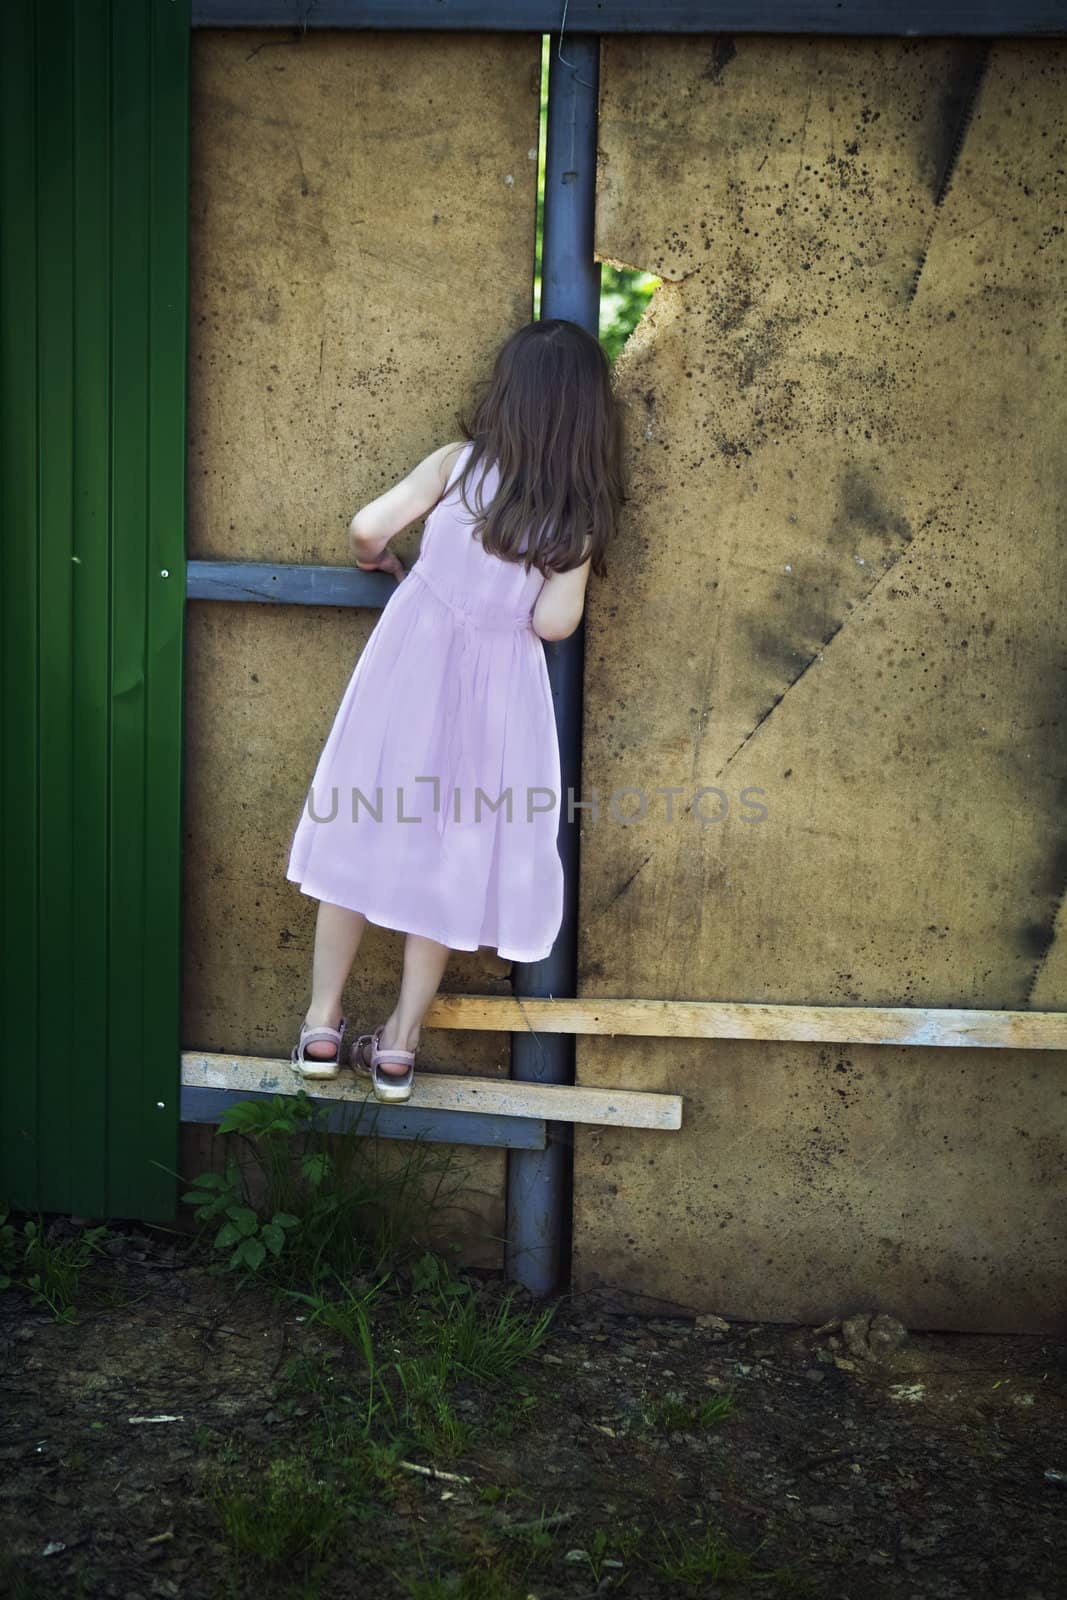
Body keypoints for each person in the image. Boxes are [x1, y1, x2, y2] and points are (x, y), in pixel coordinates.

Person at [285, 318, 626, 1101]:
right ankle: (400, 1046)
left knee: (356, 825)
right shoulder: (573, 519)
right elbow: (552, 625)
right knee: (453, 853)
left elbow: (368, 528)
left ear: (505, 393)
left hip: (406, 675)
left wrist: (384, 562)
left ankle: (320, 1024)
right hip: (496, 701)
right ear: (585, 419)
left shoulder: (456, 466)